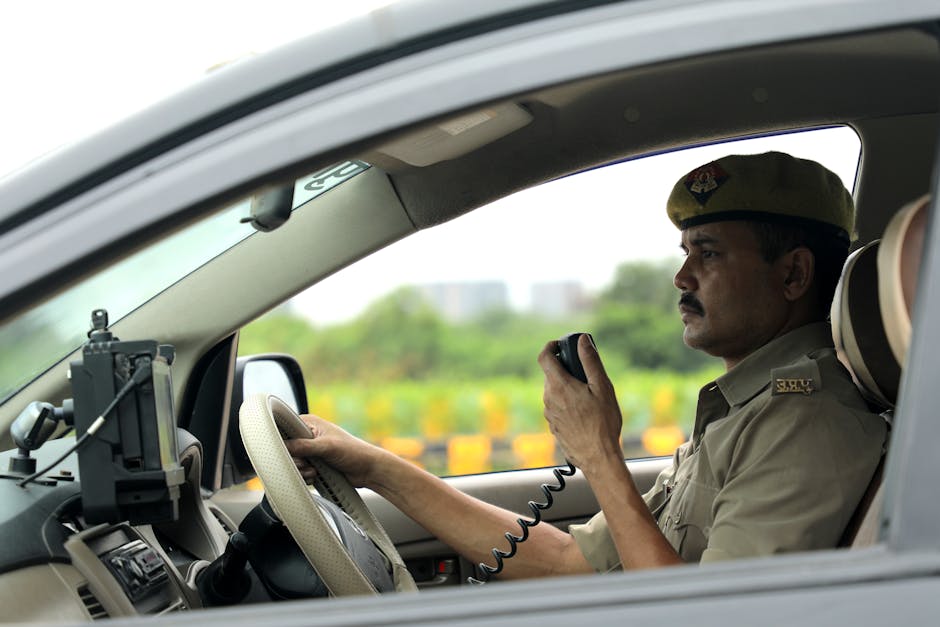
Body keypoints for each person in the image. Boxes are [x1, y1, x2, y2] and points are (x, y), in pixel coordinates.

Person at [286, 151, 887, 577]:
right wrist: (375, 465)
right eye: (684, 253)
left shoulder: (808, 424)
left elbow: (709, 618)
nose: (681, 277)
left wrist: (599, 454)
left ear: (793, 274)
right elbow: (569, 562)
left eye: (708, 254)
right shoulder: (747, 411)